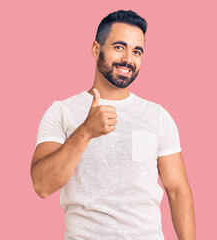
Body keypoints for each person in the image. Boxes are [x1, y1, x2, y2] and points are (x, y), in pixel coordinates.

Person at [30, 10, 195, 240]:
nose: (128, 58)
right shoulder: (61, 112)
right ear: (96, 49)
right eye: (119, 47)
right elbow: (42, 185)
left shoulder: (157, 116)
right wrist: (86, 131)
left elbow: (177, 191)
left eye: (137, 51)